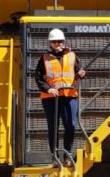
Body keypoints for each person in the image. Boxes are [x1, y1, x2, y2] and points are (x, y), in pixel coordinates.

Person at [35, 28, 85, 167]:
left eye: (60, 41)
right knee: (53, 127)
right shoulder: (44, 58)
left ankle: (67, 156)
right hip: (50, 97)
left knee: (71, 125)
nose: (57, 44)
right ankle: (55, 158)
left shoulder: (72, 55)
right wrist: (49, 89)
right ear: (50, 43)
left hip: (69, 96)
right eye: (54, 42)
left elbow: (79, 70)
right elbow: (38, 77)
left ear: (64, 42)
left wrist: (81, 72)